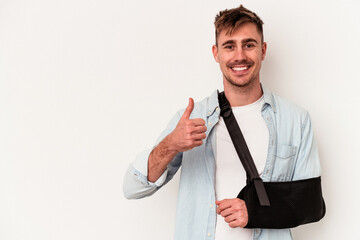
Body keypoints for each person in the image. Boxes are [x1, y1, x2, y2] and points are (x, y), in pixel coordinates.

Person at [123, 5, 322, 240]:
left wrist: (256, 212)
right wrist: (171, 145)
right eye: (229, 46)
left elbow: (311, 205)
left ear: (263, 50)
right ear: (216, 53)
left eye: (249, 44)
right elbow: (132, 188)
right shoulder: (191, 118)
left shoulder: (296, 120)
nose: (240, 56)